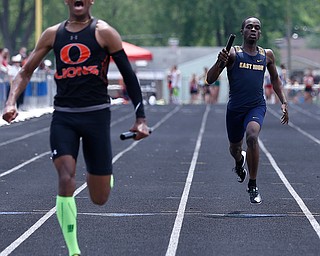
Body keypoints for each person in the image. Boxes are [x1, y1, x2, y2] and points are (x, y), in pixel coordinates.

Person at [2, 1, 149, 255]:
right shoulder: (53, 34)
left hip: (96, 116)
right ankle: (73, 251)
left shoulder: (105, 33)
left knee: (99, 197)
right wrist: (11, 100)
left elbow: (129, 76)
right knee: (65, 177)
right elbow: (26, 71)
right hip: (64, 117)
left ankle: (105, 176)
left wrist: (141, 119)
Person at [206, 17, 289, 204]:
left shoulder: (267, 55)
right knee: (235, 148)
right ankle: (238, 161)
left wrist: (283, 101)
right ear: (242, 31)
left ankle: (253, 184)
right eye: (249, 27)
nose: (253, 30)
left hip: (256, 106)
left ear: (260, 33)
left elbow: (275, 79)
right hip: (235, 109)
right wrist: (220, 62)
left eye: (257, 28)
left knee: (252, 136)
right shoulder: (233, 54)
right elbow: (210, 79)